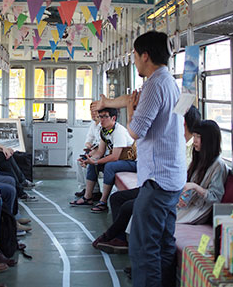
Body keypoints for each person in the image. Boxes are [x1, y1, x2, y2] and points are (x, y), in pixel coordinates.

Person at [96, 31, 186, 287]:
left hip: (158, 179)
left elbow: (136, 131)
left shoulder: (154, 85)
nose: (134, 61)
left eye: (135, 56)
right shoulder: (169, 81)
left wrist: (130, 108)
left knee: (143, 246)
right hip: (173, 177)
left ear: (145, 56)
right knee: (164, 242)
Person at [92, 106, 201, 254]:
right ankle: (120, 238)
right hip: (154, 184)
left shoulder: (187, 148)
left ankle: (111, 236)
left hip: (165, 190)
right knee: (117, 198)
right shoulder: (173, 141)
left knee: (129, 206)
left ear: (182, 122)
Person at [70, 107, 134, 213]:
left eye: (105, 117)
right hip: (121, 160)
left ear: (113, 118)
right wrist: (89, 160)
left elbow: (115, 157)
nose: (102, 119)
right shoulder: (104, 131)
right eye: (100, 117)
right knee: (92, 164)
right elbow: (100, 152)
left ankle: (103, 202)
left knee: (109, 166)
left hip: (132, 162)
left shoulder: (119, 131)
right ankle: (88, 197)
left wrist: (95, 161)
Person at [176, 120, 228, 224]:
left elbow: (215, 197)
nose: (194, 141)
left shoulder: (218, 166)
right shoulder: (200, 159)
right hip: (187, 206)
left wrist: (195, 187)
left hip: (197, 211)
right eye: (194, 136)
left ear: (209, 140)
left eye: (198, 137)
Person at [74, 105, 101, 198]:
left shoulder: (104, 125)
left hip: (104, 152)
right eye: (91, 112)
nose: (93, 114)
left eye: (95, 111)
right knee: (78, 162)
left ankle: (95, 190)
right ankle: (84, 188)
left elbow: (102, 145)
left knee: (87, 162)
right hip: (95, 150)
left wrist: (92, 151)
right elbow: (88, 139)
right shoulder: (93, 125)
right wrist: (88, 145)